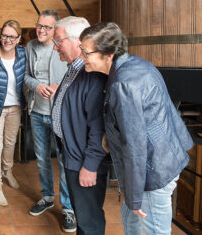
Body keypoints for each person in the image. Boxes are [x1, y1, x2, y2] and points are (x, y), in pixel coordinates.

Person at [79, 22, 194, 235]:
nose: (81, 57)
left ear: (108, 55)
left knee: (154, 231)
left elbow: (135, 145)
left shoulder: (123, 84)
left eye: (86, 52)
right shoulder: (136, 64)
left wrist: (134, 197)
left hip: (152, 171)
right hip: (162, 160)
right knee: (130, 222)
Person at [51, 16, 110, 235]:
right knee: (82, 215)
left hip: (85, 162)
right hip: (73, 155)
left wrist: (91, 165)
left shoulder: (92, 75)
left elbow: (99, 127)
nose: (55, 47)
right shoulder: (74, 67)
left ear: (78, 41)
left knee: (89, 221)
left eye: (59, 41)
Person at [24, 9, 76, 232]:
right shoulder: (30, 47)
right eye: (39, 25)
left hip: (60, 113)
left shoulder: (63, 46)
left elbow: (76, 73)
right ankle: (47, 197)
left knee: (64, 162)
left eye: (47, 27)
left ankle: (68, 209)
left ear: (55, 30)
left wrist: (57, 86)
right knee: (42, 158)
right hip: (37, 111)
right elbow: (25, 76)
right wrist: (37, 86)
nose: (41, 30)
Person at [0, 20, 26, 206]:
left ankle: (7, 171)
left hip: (16, 107)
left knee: (10, 143)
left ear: (18, 39)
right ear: (0, 35)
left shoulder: (23, 55)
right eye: (4, 35)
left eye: (12, 36)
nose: (7, 39)